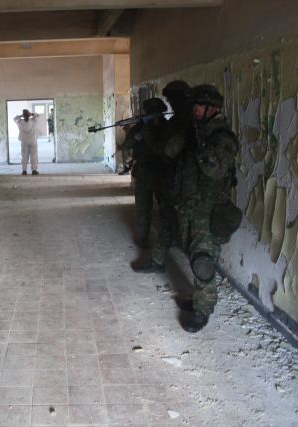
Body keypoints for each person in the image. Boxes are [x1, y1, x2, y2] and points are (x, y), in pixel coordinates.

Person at [176, 85, 240, 332]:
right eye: (194, 106)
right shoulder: (198, 131)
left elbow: (215, 170)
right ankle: (198, 298)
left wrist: (200, 146)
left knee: (203, 260)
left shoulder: (222, 138)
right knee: (193, 255)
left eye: (200, 106)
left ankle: (203, 309)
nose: (195, 110)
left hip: (210, 209)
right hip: (192, 207)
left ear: (212, 108)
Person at [140, 80, 193, 271]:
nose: (170, 103)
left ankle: (161, 260)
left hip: (180, 180)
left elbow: (163, 151)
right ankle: (158, 259)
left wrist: (148, 131)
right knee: (169, 220)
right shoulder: (188, 120)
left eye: (171, 99)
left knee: (173, 221)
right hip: (180, 179)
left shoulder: (180, 123)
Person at [127, 98, 168, 272]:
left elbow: (161, 149)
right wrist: (137, 130)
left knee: (165, 210)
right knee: (143, 207)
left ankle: (165, 241)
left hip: (161, 173)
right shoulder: (141, 127)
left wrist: (146, 131)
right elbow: (127, 144)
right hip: (144, 173)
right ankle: (143, 238)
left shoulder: (167, 128)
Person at [14, 109, 41, 175]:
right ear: (29, 115)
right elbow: (38, 115)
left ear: (23, 115)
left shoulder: (20, 122)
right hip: (33, 141)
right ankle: (34, 170)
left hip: (24, 141)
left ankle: (24, 170)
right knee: (34, 155)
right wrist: (31, 114)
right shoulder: (33, 121)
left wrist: (21, 116)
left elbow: (15, 118)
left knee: (24, 156)